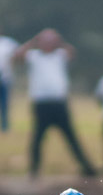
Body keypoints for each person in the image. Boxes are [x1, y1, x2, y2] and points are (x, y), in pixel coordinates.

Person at [14, 29, 96, 178]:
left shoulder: (60, 55)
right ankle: (34, 170)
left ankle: (87, 168)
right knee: (38, 138)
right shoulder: (34, 56)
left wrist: (60, 41)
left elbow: (72, 53)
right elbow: (17, 55)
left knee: (71, 137)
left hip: (59, 103)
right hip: (41, 104)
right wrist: (34, 41)